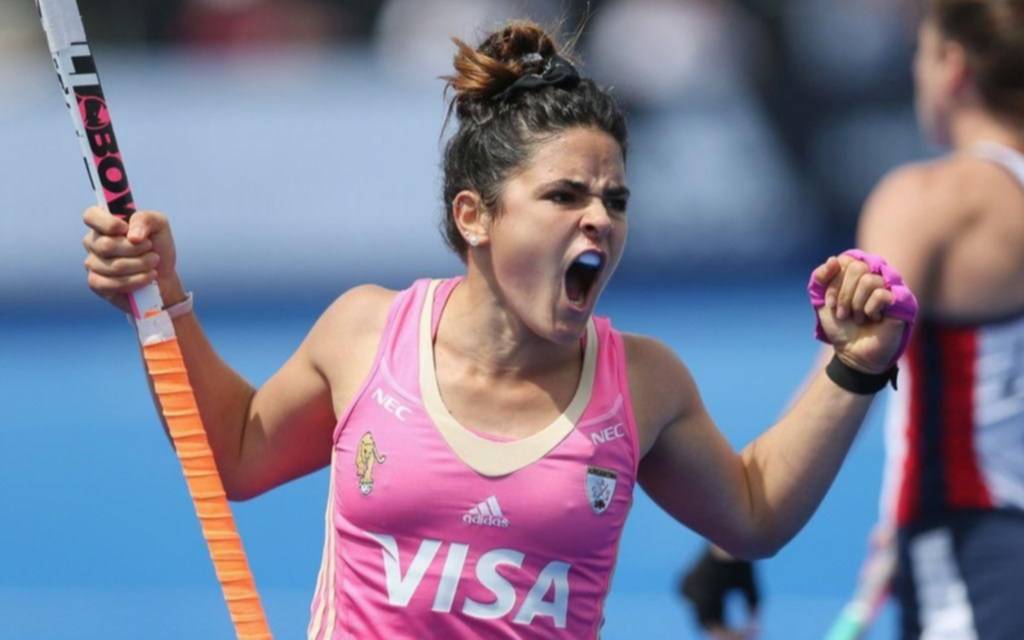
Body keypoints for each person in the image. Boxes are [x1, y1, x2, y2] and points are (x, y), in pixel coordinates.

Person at [79, 20, 915, 639]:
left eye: (616, 200)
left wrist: (855, 366)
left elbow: (755, 513)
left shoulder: (643, 382)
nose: (600, 219)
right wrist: (163, 301)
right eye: (565, 197)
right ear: (474, 216)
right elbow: (234, 452)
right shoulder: (365, 333)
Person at [683, 1, 1024, 638]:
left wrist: (728, 540)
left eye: (920, 54)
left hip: (974, 552)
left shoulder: (929, 200)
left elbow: (846, 369)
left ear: (952, 66)